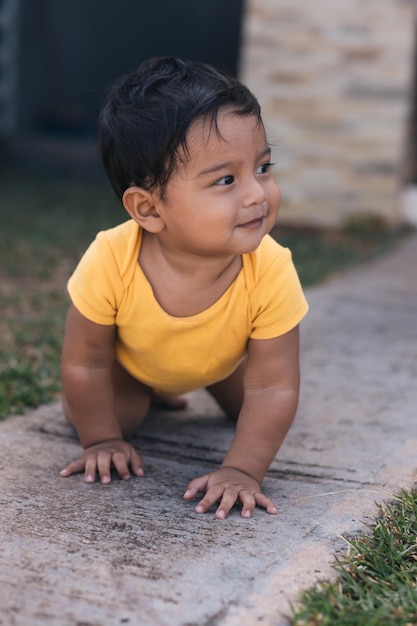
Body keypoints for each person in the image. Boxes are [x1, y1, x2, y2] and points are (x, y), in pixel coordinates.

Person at [59, 56, 308, 520]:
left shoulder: (271, 268)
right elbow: (84, 362)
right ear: (149, 210)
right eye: (226, 180)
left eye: (263, 167)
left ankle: (198, 382)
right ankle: (154, 390)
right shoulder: (112, 257)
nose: (257, 194)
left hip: (225, 363)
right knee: (115, 416)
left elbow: (274, 387)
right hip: (132, 366)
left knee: (253, 415)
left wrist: (243, 470)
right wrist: (102, 439)